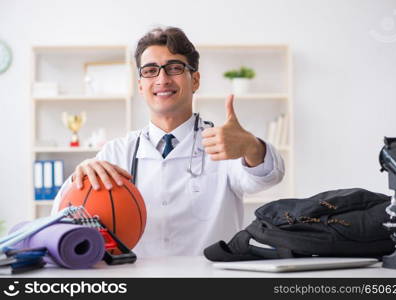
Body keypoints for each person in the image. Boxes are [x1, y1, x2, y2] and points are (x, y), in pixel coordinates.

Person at [51, 27, 285, 257]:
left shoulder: (223, 144)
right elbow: (62, 213)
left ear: (195, 80)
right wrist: (79, 178)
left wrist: (251, 146)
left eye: (174, 68)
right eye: (151, 70)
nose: (162, 79)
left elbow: (268, 175)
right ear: (141, 85)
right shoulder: (117, 152)